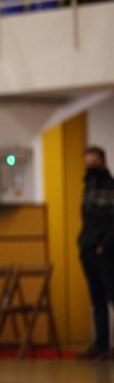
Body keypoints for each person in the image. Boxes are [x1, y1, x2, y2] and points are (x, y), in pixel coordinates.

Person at [77, 146, 114, 360]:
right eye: (88, 163)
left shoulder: (111, 187)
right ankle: (101, 344)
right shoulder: (88, 187)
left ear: (103, 162)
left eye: (94, 163)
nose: (91, 167)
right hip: (88, 250)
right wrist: (83, 243)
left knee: (112, 297)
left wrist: (104, 246)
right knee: (97, 300)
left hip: (106, 252)